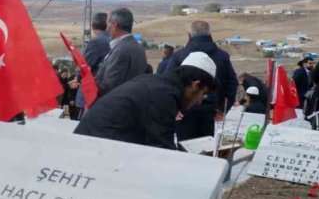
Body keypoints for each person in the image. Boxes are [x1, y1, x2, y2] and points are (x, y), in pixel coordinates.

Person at [74, 52, 218, 150]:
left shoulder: (158, 84)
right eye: (203, 94)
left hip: (96, 145)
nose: (199, 101)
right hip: (92, 150)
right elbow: (162, 150)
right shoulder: (163, 96)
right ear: (195, 84)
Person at [163, 20, 238, 141]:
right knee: (206, 148)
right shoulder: (222, 56)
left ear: (190, 35)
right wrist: (223, 108)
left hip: (184, 111)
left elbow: (166, 82)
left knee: (185, 149)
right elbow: (232, 83)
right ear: (209, 35)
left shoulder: (179, 56)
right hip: (211, 111)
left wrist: (173, 108)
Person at [94, 8, 147, 97]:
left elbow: (108, 87)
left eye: (108, 25)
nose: (107, 29)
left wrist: (90, 84)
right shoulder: (138, 47)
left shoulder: (121, 51)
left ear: (114, 25)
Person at [75, 12, 110, 110]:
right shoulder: (114, 40)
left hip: (91, 93)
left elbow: (84, 67)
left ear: (93, 25)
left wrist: (77, 78)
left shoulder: (96, 42)